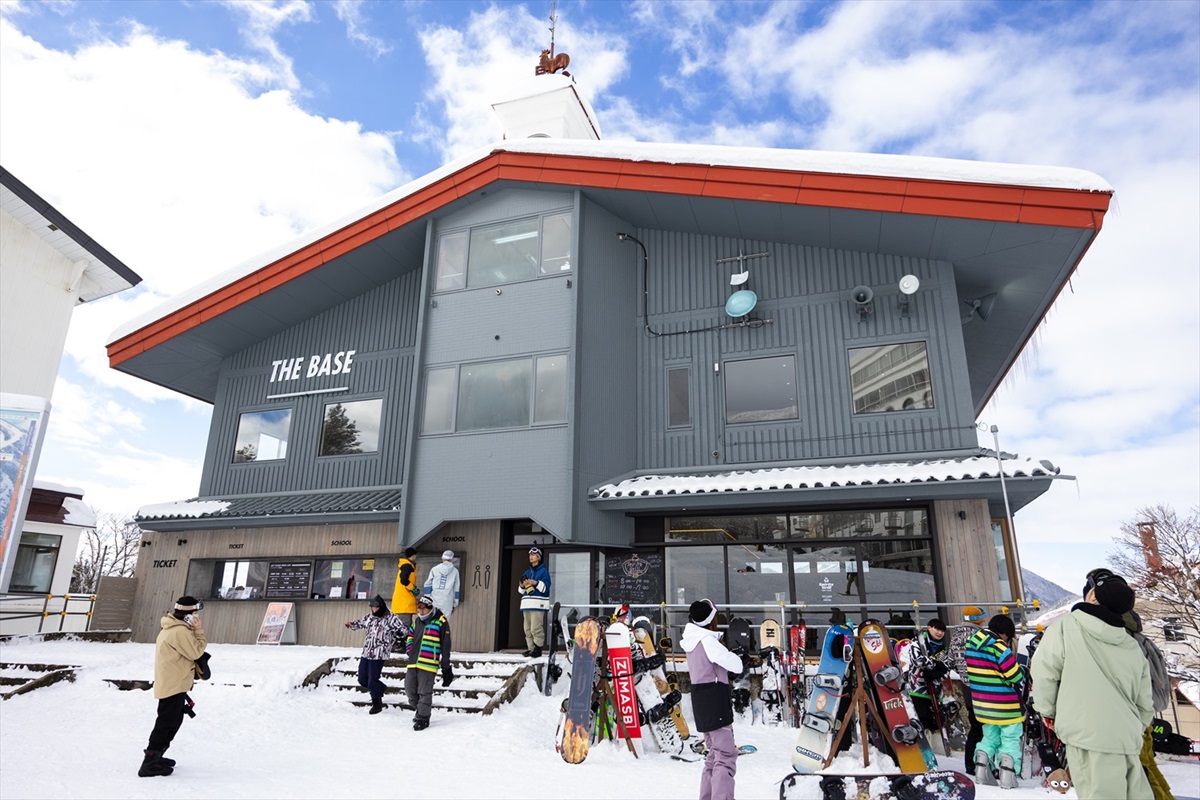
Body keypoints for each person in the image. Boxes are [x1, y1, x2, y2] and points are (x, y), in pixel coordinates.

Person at [1032, 568, 1154, 800]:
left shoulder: (1065, 627)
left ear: (1093, 596)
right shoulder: (1130, 643)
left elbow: (1044, 674)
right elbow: (1145, 701)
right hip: (1126, 736)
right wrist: (1133, 726)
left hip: (1086, 734)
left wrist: (1048, 712)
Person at [681, 598, 743, 800]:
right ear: (710, 619)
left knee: (713, 754)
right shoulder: (708, 641)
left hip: (700, 699)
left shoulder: (692, 641)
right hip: (715, 700)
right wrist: (738, 658)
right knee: (725, 756)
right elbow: (736, 665)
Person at [139, 595, 208, 778]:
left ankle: (157, 756)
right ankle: (149, 764)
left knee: (173, 721)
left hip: (173, 682)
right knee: (166, 723)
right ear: (188, 615)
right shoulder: (179, 631)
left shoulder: (173, 628)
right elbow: (196, 651)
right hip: (173, 684)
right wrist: (198, 631)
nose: (197, 617)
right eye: (195, 613)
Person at [965, 614, 1024, 789]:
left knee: (989, 737)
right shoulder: (999, 647)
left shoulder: (971, 644)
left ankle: (982, 772)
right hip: (1005, 703)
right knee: (1010, 738)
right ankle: (1008, 777)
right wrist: (1022, 669)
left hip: (983, 703)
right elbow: (1015, 675)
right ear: (1005, 633)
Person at [344, 594, 410, 714]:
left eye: (376, 608)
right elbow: (360, 623)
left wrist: (397, 635)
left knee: (372, 680)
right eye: (372, 608)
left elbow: (404, 631)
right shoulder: (370, 617)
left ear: (381, 607)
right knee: (362, 679)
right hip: (367, 651)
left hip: (379, 653)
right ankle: (381, 688)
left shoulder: (391, 618)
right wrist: (351, 624)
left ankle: (377, 703)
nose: (374, 610)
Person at [944, 604, 988, 772]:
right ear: (979, 620)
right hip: (984, 686)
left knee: (974, 726)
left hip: (967, 688)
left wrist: (963, 673)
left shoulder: (955, 637)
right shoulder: (981, 636)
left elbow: (950, 662)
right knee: (988, 729)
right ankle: (984, 764)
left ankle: (970, 764)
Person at [405, 594, 454, 730]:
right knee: (409, 690)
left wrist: (446, 667)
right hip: (413, 662)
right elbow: (410, 636)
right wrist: (410, 650)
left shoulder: (441, 621)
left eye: (423, 609)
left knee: (424, 692)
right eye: (419, 609)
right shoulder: (417, 621)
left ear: (430, 608)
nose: (421, 612)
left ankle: (423, 718)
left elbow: (446, 645)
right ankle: (420, 710)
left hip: (428, 663)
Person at [906, 617, 949, 733]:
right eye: (937, 629)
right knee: (922, 719)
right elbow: (917, 660)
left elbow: (946, 667)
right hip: (918, 689)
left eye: (942, 631)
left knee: (937, 721)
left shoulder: (942, 647)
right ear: (929, 628)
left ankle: (936, 740)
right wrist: (935, 664)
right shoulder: (917, 643)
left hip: (935, 690)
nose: (939, 633)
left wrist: (936, 673)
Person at [518, 546, 551, 658]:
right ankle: (530, 648)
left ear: (538, 557)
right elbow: (521, 591)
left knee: (535, 628)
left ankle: (538, 649)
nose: (531, 557)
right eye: (530, 555)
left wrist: (535, 583)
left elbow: (546, 588)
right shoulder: (526, 572)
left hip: (538, 604)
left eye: (533, 555)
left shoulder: (543, 571)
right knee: (527, 629)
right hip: (526, 604)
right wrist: (522, 585)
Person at [423, 550, 461, 620]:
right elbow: (456, 589)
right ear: (452, 559)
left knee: (432, 622)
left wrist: (427, 599)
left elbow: (427, 585)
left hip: (434, 601)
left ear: (442, 558)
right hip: (447, 603)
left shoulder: (435, 569)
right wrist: (455, 604)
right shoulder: (455, 571)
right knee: (444, 623)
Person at [390, 547, 419, 626]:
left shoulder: (406, 566)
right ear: (413, 556)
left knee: (404, 626)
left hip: (403, 603)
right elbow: (403, 580)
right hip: (404, 603)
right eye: (415, 555)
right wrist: (412, 588)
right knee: (405, 627)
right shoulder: (407, 566)